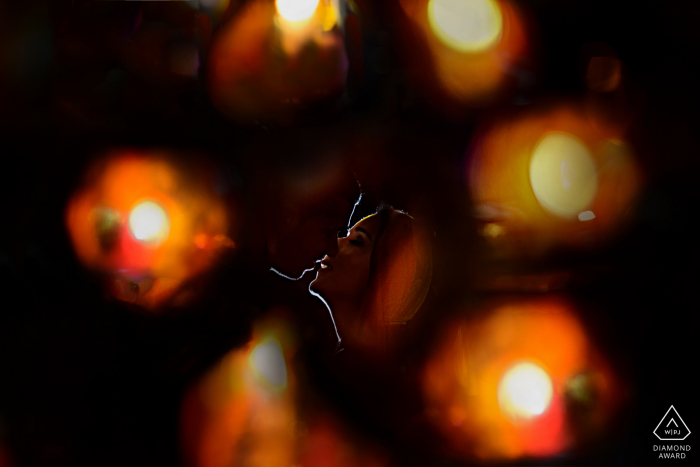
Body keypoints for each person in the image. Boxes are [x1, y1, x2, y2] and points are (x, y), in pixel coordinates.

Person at [309, 206, 433, 354]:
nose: (335, 243)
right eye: (345, 235)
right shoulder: (335, 359)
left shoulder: (363, 370)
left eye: (356, 241)